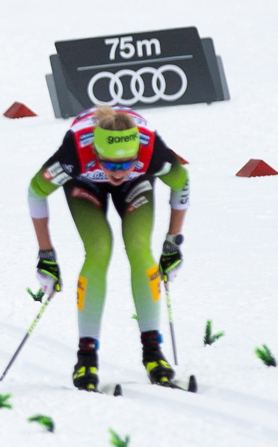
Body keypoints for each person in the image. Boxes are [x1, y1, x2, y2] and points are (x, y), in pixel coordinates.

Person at [26, 106, 188, 390]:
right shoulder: (74, 152)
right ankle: (86, 358)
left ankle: (153, 353)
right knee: (99, 248)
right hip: (84, 183)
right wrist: (46, 255)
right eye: (110, 164)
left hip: (138, 186)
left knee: (139, 247)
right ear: (96, 153)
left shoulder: (152, 152)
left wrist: (172, 243)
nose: (119, 172)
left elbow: (182, 182)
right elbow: (35, 191)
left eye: (126, 163)